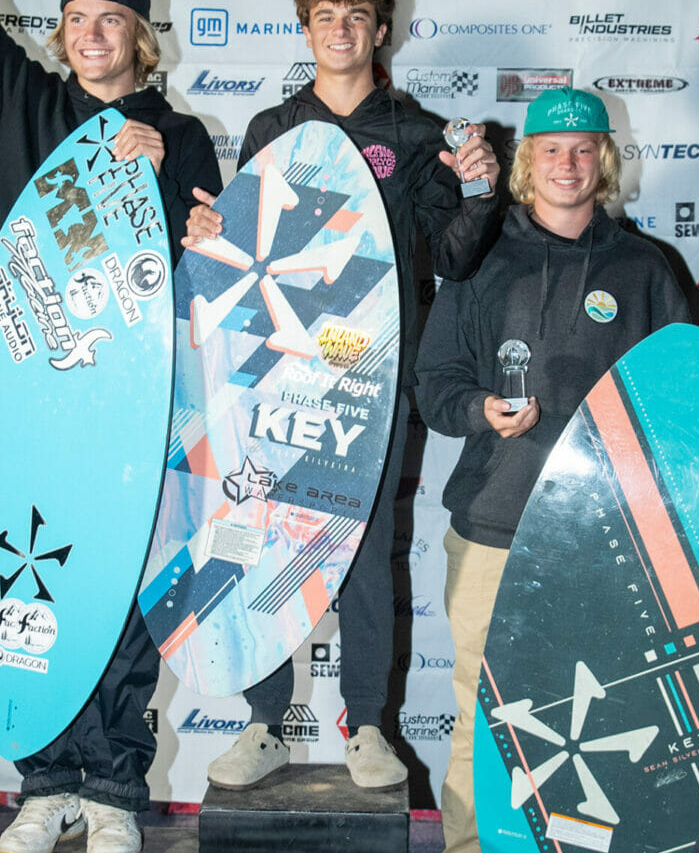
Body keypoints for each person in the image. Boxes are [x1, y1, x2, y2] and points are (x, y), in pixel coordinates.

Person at [412, 87, 699, 853]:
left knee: (602, 725)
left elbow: (688, 394)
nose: (567, 164)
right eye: (550, 150)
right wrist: (481, 413)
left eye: (583, 149)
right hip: (496, 529)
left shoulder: (645, 268)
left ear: (604, 159)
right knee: (484, 718)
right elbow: (434, 383)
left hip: (613, 540)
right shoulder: (480, 259)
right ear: (526, 163)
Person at [182, 0, 502, 792]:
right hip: (277, 368)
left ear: (380, 29)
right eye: (325, 12)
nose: (341, 27)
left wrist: (483, 193)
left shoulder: (416, 133)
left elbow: (456, 260)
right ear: (306, 27)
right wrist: (205, 237)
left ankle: (366, 725)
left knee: (358, 546)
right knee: (263, 530)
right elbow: (239, 251)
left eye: (357, 13)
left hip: (371, 375)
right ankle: (264, 723)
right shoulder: (272, 125)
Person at [0, 1, 221, 851]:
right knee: (35, 569)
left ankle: (115, 792)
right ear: (62, 33)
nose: (93, 34)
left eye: (112, 18)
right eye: (78, 17)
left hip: (138, 398)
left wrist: (168, 181)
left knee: (124, 583)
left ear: (140, 35)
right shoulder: (25, 103)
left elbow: (208, 266)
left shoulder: (184, 135)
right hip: (29, 395)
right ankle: (48, 783)